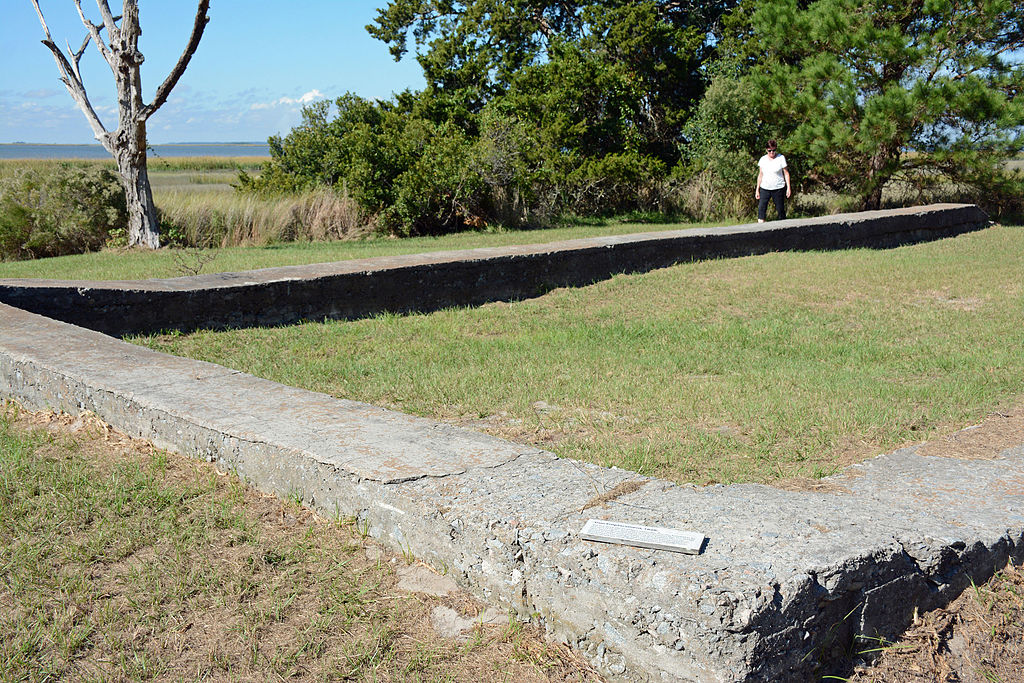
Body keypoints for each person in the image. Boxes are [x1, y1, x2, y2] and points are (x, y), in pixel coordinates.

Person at [755, 140, 791, 222]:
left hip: (778, 188)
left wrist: (788, 187)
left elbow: (786, 173)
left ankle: (784, 229)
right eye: (769, 151)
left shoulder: (781, 158)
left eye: (774, 150)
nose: (772, 152)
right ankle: (761, 228)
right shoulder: (763, 159)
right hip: (765, 188)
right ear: (766, 150)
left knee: (780, 210)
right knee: (761, 209)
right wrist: (757, 189)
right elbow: (760, 174)